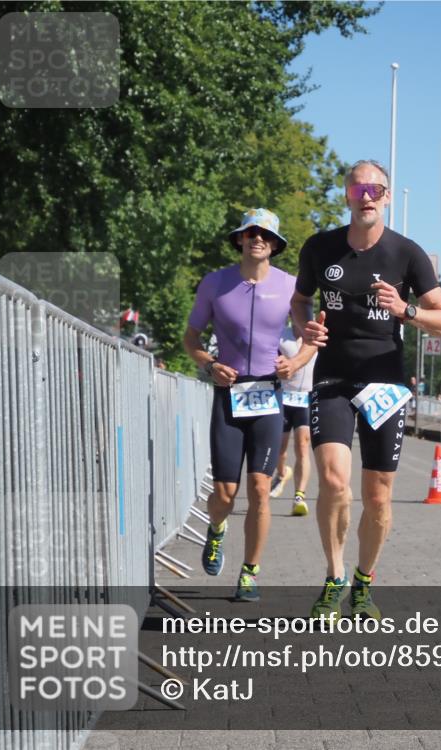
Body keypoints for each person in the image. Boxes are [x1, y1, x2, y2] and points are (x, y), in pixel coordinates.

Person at [292, 160, 441, 621]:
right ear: (346, 194)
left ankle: (364, 582)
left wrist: (407, 311)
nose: (367, 195)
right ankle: (334, 576)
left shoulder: (407, 254)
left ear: (387, 197)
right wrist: (305, 327)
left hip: (385, 383)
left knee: (379, 496)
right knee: (333, 481)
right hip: (332, 378)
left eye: (376, 189)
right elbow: (300, 300)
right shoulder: (320, 248)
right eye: (358, 187)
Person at [183, 208, 308, 602]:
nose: (258, 239)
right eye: (251, 233)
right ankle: (216, 529)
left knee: (258, 487)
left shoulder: (291, 287)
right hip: (229, 393)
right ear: (240, 239)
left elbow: (311, 339)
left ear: (274, 245)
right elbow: (191, 339)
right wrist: (209, 365)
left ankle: (250, 573)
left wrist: (295, 363)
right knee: (224, 492)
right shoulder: (215, 284)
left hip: (270, 396)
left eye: (266, 236)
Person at [272, 324, 317, 516]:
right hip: (284, 397)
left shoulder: (316, 334)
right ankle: (282, 473)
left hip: (306, 397)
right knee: (279, 449)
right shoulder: (281, 335)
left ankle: (299, 496)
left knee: (302, 446)